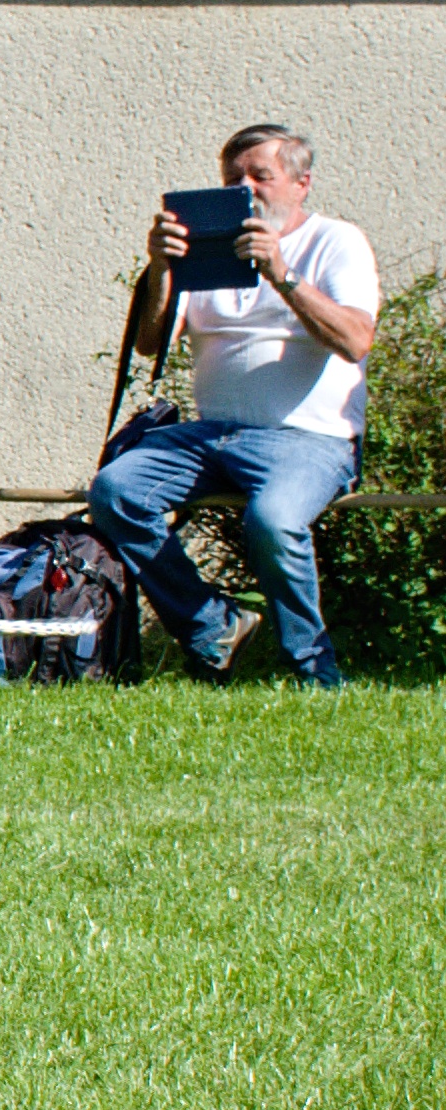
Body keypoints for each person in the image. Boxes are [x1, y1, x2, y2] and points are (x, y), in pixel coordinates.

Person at [92, 124, 378, 688]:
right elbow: (151, 343)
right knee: (116, 491)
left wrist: (281, 273)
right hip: (212, 434)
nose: (245, 190)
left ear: (301, 183)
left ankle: (314, 670)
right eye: (232, 180)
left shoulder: (336, 242)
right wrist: (161, 271)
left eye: (260, 177)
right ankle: (213, 626)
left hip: (309, 439)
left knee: (272, 519)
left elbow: (355, 340)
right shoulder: (209, 250)